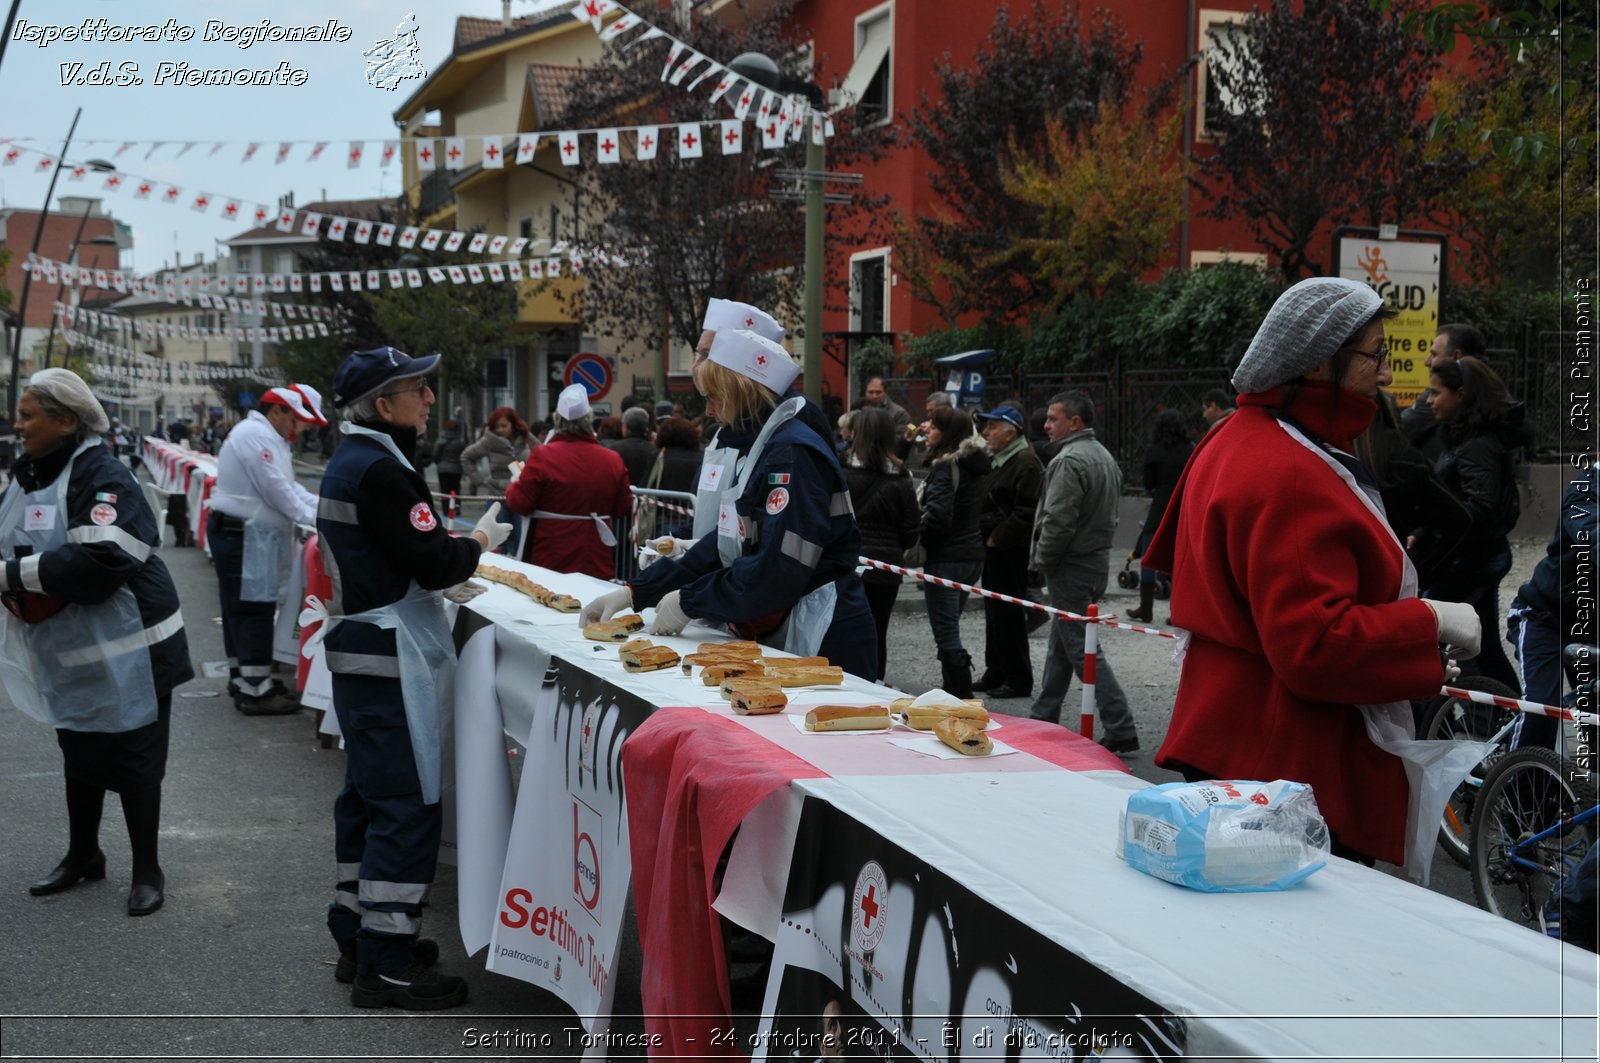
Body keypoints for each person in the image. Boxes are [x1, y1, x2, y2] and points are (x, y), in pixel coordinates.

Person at [1143, 277, 1479, 870]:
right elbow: (1315, 647)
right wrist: (1428, 621)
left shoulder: (1236, 436)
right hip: (1287, 773)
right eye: (1375, 354)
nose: (1384, 374)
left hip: (1235, 744)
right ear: (1323, 361)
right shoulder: (1290, 468)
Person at [317, 346, 513, 1010]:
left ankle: (362, 932)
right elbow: (433, 559)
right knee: (404, 804)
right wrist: (480, 543)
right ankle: (388, 963)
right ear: (384, 405)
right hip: (388, 660)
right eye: (418, 390)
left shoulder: (359, 459)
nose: (429, 400)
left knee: (368, 799)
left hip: (367, 653)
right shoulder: (380, 469)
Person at [0, 369, 193, 916]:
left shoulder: (103, 473)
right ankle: (84, 854)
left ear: (65, 421)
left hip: (136, 643)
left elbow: (102, 559)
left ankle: (148, 869)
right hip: (71, 644)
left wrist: (11, 576)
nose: (18, 425)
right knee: (79, 748)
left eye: (29, 415)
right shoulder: (31, 473)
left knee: (135, 758)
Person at [583, 328, 877, 678]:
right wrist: (637, 591)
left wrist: (690, 599)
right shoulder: (766, 445)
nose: (708, 410)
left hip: (825, 627)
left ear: (741, 393)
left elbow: (778, 568)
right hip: (793, 618)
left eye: (713, 397)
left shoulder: (791, 454)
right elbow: (724, 545)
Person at [1027, 392, 1139, 754]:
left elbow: (1057, 521)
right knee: (1066, 641)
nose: (1046, 425)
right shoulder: (1104, 457)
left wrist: (1041, 562)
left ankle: (1120, 725)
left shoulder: (1069, 460)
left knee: (1082, 649)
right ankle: (1043, 716)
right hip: (1094, 563)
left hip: (1070, 566)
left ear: (1074, 422)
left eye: (1053, 418)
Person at [209, 385, 327, 714]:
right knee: (253, 611)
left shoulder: (266, 437)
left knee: (242, 609)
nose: (301, 428)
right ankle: (255, 689)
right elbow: (278, 492)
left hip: (246, 535)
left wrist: (322, 508)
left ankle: (245, 677)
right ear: (279, 411)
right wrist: (320, 519)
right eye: (299, 420)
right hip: (245, 536)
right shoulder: (256, 436)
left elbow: (289, 488)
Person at [1423, 356, 1533, 693]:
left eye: (1435, 392)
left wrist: (1434, 525)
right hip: (1477, 558)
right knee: (1483, 646)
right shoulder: (1467, 437)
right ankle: (1510, 717)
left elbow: (1478, 509)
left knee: (1453, 642)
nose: (1429, 400)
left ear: (1461, 395)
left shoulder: (1477, 446)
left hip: (1471, 562)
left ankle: (1487, 719)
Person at [1507, 460, 1598, 750]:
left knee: (1594, 718)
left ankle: (1585, 789)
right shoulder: (1584, 493)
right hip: (1544, 616)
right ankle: (1513, 790)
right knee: (1542, 708)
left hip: (1589, 625)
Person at [504, 384, 632, 579]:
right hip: (595, 552)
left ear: (558, 420)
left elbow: (521, 503)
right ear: (589, 419)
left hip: (551, 552)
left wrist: (514, 484)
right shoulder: (612, 458)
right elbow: (622, 507)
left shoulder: (543, 456)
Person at [917, 406, 990, 697]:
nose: (927, 429)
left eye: (933, 426)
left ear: (947, 434)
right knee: (949, 626)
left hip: (947, 558)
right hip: (971, 555)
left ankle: (960, 697)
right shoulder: (976, 463)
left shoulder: (946, 467)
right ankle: (952, 690)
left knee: (947, 632)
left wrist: (917, 537)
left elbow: (937, 516)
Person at [843, 408, 919, 682]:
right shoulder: (901, 477)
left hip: (846, 565)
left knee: (843, 632)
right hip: (886, 569)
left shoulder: (841, 471)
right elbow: (911, 531)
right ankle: (875, 688)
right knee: (878, 632)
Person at [973, 402, 1043, 698]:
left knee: (1009, 613)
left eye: (992, 427)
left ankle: (1017, 677)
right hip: (994, 546)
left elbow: (1026, 512)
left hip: (1008, 548)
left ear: (1011, 431)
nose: (985, 432)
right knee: (994, 610)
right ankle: (996, 669)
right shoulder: (1001, 458)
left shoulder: (1026, 461)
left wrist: (996, 537)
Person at [1125, 409, 1192, 623]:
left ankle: (1146, 608)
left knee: (1148, 554)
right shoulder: (1190, 449)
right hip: (1182, 505)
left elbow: (1148, 484)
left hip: (1160, 505)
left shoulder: (1153, 451)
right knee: (1180, 557)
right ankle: (1179, 612)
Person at [1401, 322, 1485, 460]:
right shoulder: (1494, 393)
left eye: (1434, 354)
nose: (1427, 362)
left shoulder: (1445, 398)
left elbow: (1399, 429)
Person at [612, 406, 659, 487]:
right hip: (648, 497)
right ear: (646, 427)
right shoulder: (654, 450)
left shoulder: (614, 450)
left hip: (622, 496)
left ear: (626, 427)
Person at [431, 418, 467, 502]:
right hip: (456, 469)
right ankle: (456, 507)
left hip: (442, 469)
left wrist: (439, 463)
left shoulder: (441, 440)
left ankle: (446, 509)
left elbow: (435, 454)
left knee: (444, 491)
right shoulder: (460, 442)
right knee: (455, 489)